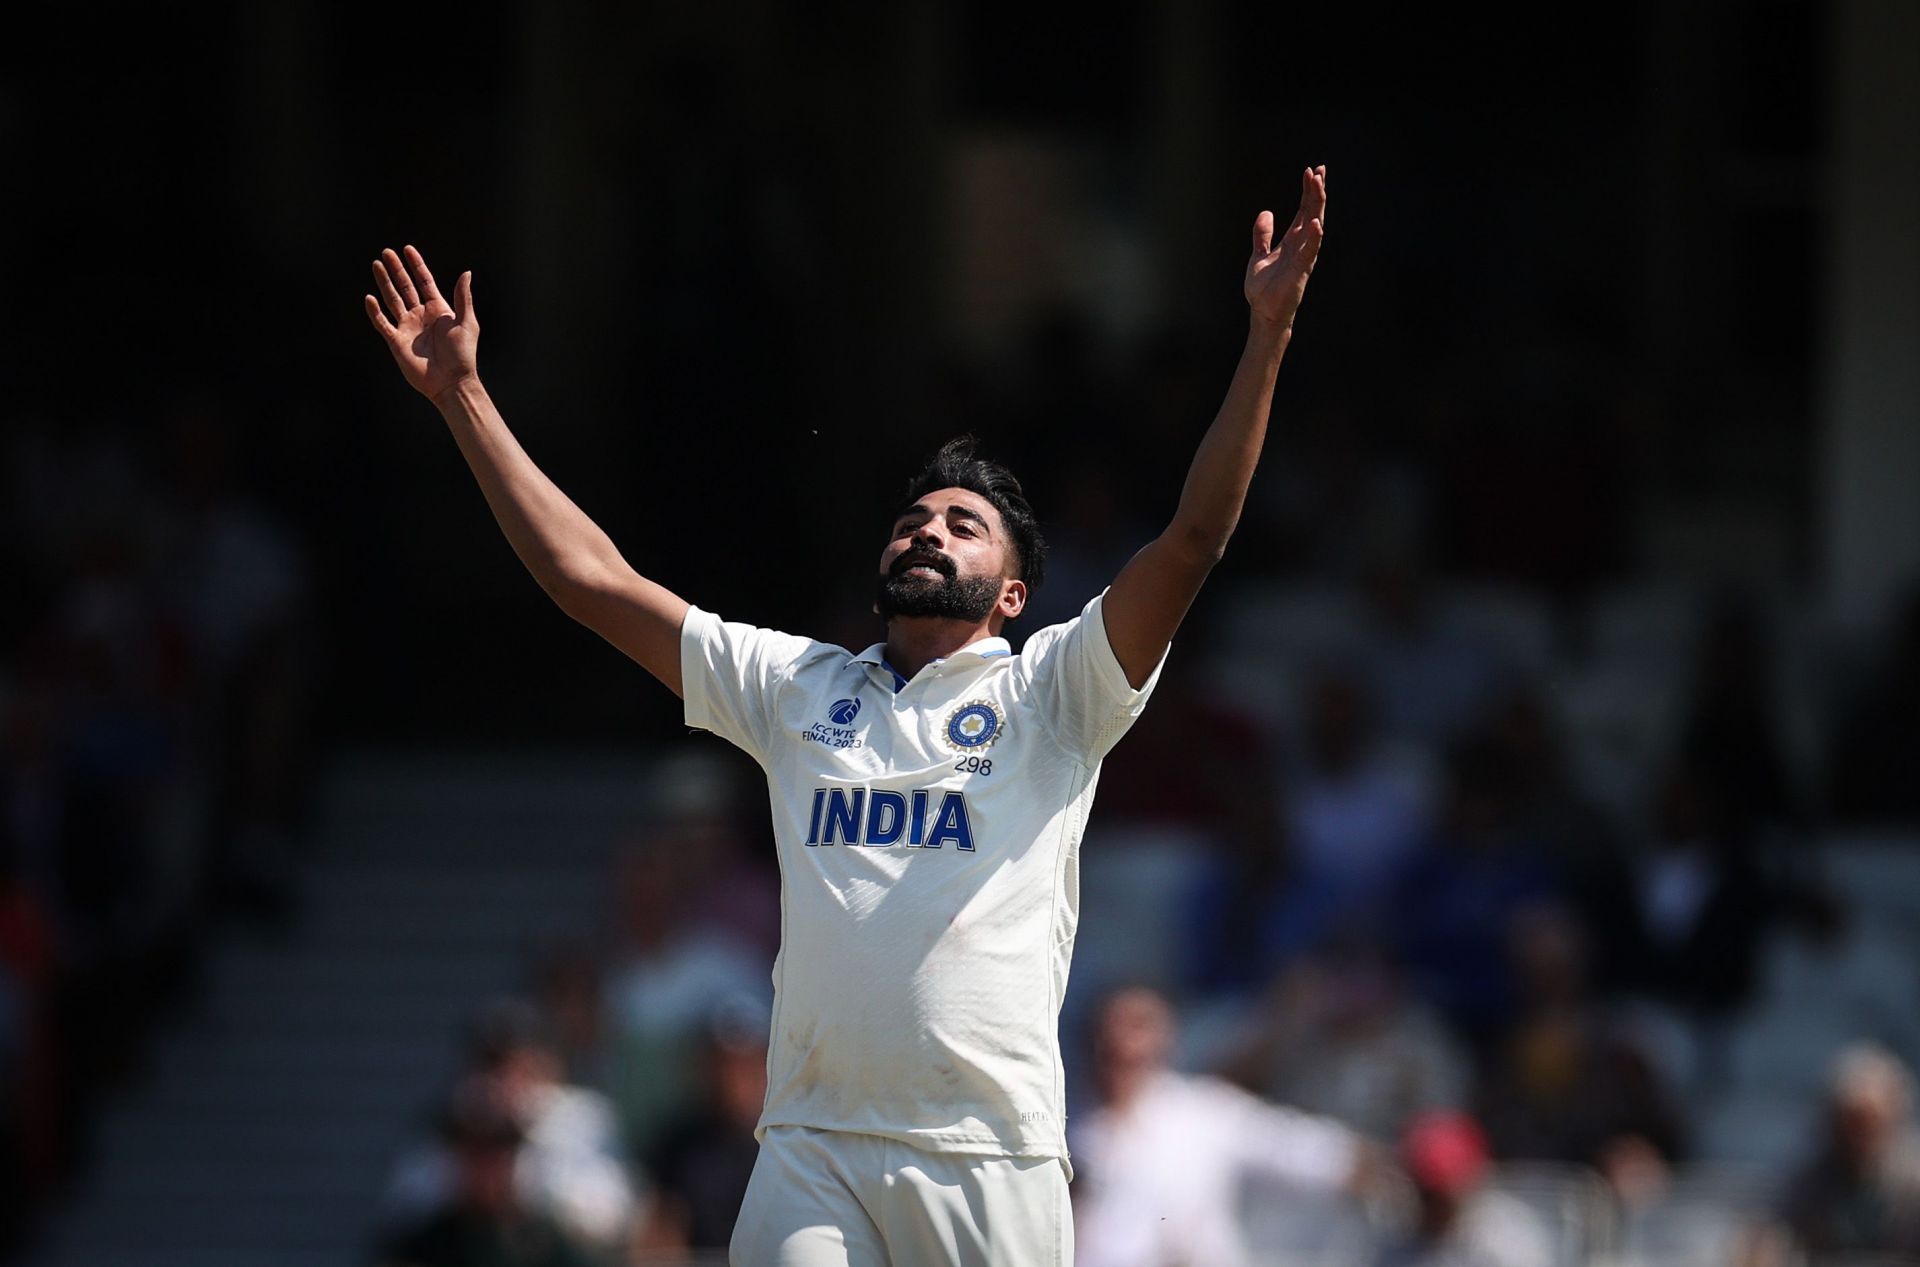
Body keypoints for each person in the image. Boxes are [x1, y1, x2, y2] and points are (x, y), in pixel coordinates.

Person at [364, 163, 1328, 1267]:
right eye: (913, 518)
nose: (925, 531)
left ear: (1015, 594)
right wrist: (462, 399)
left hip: (988, 1157)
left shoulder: (1055, 691)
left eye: (963, 524)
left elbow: (1192, 541)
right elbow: (590, 578)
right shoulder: (797, 687)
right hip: (813, 1148)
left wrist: (1267, 336)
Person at [1071, 986, 1378, 1267]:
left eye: (1139, 1026)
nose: (1122, 1042)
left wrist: (1375, 1165)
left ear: (1167, 1038)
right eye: (1110, 1029)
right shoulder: (1065, 1127)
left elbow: (1307, 1152)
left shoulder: (1203, 1115)